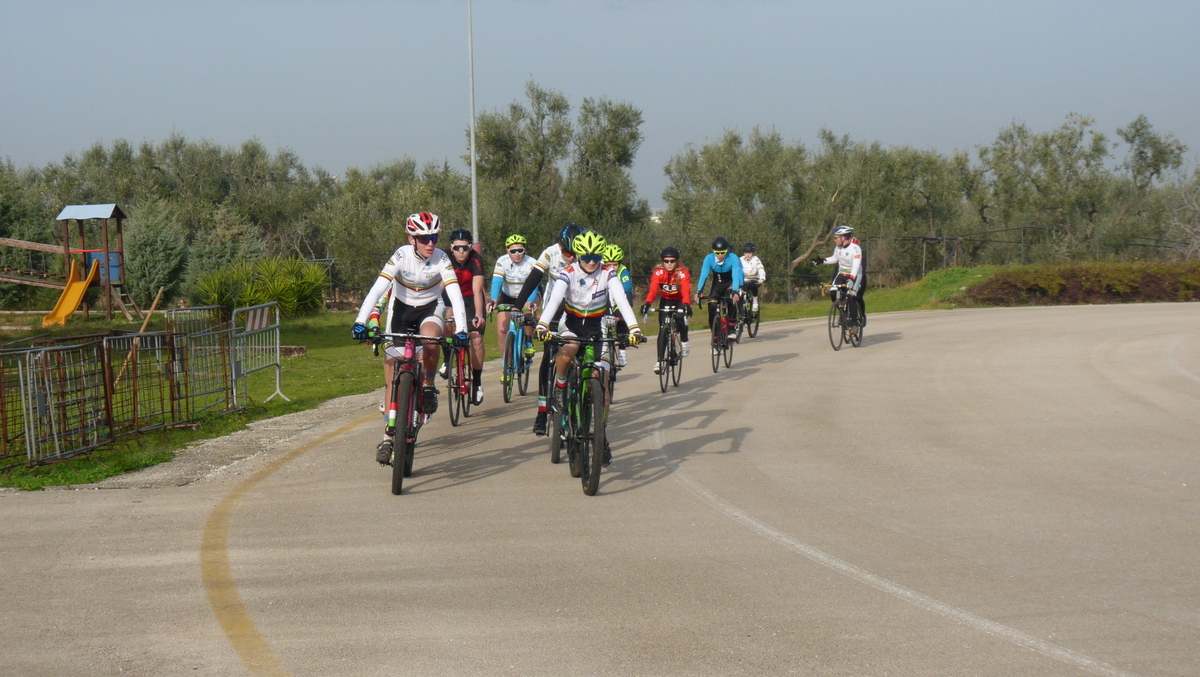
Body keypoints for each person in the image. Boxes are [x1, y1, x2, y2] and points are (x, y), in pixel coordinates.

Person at [351, 212, 469, 464]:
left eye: (435, 237)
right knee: (392, 379)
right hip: (401, 311)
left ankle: (427, 384)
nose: (431, 243)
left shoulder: (442, 258)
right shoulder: (401, 256)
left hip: (429, 309)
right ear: (411, 238)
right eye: (424, 238)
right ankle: (387, 438)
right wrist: (360, 321)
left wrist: (461, 330)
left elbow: (455, 294)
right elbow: (378, 288)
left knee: (430, 339)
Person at [534, 231, 643, 466]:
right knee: (569, 346)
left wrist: (634, 329)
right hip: (571, 324)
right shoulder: (569, 272)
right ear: (578, 255)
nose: (591, 261)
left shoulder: (608, 273)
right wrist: (543, 323)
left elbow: (621, 300)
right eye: (586, 256)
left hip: (597, 329)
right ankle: (561, 385)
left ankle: (601, 437)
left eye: (596, 256)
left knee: (602, 386)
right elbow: (554, 300)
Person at [514, 223, 583, 435]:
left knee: (578, 352)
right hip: (554, 306)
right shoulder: (550, 253)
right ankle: (542, 411)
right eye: (567, 252)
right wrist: (518, 306)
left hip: (577, 307)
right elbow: (533, 278)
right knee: (548, 357)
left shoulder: (585, 256)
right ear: (560, 246)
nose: (571, 257)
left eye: (575, 253)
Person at [441, 228, 488, 405]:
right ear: (451, 248)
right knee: (444, 323)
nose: (461, 251)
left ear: (470, 248)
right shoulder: (444, 258)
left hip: (469, 299)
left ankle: (477, 383)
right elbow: (439, 287)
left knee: (476, 338)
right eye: (457, 248)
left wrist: (478, 314)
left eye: (465, 248)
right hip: (449, 298)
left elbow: (477, 291)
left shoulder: (476, 259)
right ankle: (447, 360)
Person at [486, 234, 539, 376]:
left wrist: (531, 300)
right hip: (508, 296)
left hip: (528, 295)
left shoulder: (532, 262)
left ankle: (528, 341)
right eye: (513, 251)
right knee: (502, 331)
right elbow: (496, 282)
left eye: (520, 250)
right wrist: (494, 299)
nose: (517, 254)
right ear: (507, 251)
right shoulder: (502, 262)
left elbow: (534, 284)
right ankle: (507, 364)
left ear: (525, 250)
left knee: (527, 312)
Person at [641, 246, 692, 375]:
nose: (669, 264)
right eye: (666, 261)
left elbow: (686, 288)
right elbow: (653, 289)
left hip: (679, 299)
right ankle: (659, 360)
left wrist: (686, 303)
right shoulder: (658, 272)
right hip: (666, 300)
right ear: (662, 261)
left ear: (677, 261)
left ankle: (684, 341)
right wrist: (647, 303)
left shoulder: (682, 272)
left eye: (672, 261)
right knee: (663, 328)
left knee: (680, 318)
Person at [693, 236, 744, 352]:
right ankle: (715, 339)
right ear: (713, 251)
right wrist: (699, 291)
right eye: (717, 253)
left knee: (731, 298)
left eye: (723, 252)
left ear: (727, 250)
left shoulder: (733, 258)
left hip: (730, 283)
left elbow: (736, 275)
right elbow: (704, 275)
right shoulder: (709, 259)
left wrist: (735, 290)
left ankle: (731, 328)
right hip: (717, 285)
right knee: (711, 307)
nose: (720, 255)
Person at [812, 225, 866, 330]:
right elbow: (835, 258)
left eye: (836, 238)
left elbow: (856, 264)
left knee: (851, 297)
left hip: (854, 275)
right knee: (833, 293)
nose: (834, 240)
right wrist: (822, 261)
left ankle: (854, 324)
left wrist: (852, 278)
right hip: (842, 274)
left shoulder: (855, 248)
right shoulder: (838, 248)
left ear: (844, 237)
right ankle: (843, 314)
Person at [603, 243, 633, 368]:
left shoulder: (623, 271)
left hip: (618, 302)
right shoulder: (599, 270)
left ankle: (621, 349)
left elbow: (627, 291)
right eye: (609, 264)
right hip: (604, 302)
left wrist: (628, 308)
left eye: (615, 264)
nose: (612, 267)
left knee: (621, 320)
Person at [739, 242, 766, 314]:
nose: (747, 255)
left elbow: (761, 269)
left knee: (753, 286)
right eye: (746, 252)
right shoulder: (740, 260)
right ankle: (741, 308)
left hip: (754, 279)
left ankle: (755, 301)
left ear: (753, 253)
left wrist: (762, 278)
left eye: (749, 252)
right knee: (740, 291)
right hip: (744, 280)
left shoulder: (755, 259)